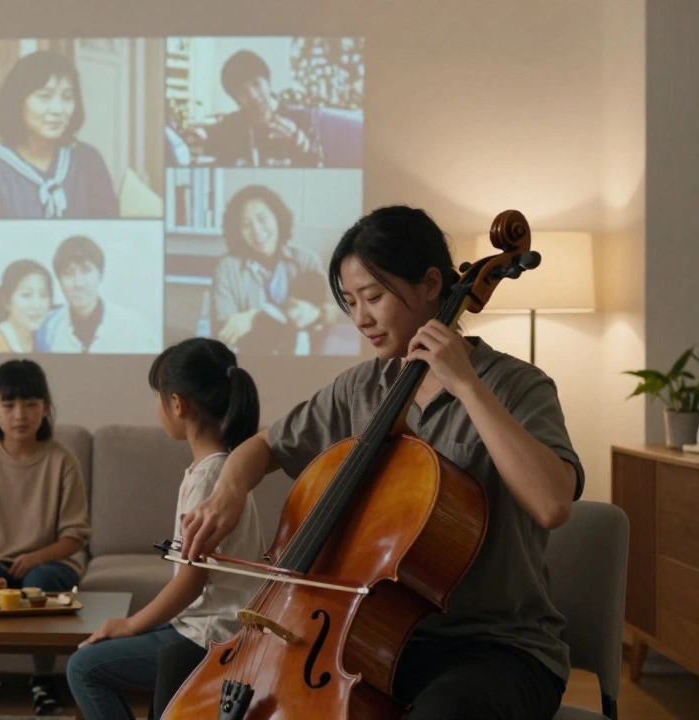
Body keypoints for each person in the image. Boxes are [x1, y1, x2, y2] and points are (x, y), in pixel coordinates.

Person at [179, 205, 584, 720]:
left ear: (433, 283)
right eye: (350, 302)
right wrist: (227, 491)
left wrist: (467, 385)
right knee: (184, 668)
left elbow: (552, 505)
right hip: (376, 637)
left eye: (373, 297)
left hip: (495, 647)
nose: (360, 318)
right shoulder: (363, 387)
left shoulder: (517, 385)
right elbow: (263, 447)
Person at [66, 338, 265, 720]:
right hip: (206, 623)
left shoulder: (210, 477)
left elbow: (190, 582)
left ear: (177, 404)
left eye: (157, 397)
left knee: (84, 667)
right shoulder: (220, 469)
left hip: (210, 632)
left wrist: (129, 624)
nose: (156, 407)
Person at [0, 359, 92, 716]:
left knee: (39, 583)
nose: (19, 415)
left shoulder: (62, 460)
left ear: (46, 409)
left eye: (30, 404)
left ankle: (43, 678)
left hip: (51, 563)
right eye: (8, 405)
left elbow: (76, 537)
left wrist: (38, 557)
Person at [0, 50, 118, 219]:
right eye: (45, 97)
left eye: (67, 98)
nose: (58, 110)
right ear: (17, 101)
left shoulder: (88, 160)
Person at [210, 184, 338, 354]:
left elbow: (336, 309)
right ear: (237, 231)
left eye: (262, 219)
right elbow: (225, 329)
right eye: (246, 225)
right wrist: (257, 318)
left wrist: (318, 313)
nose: (257, 231)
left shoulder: (306, 261)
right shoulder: (227, 268)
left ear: (277, 218)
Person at [201, 50, 323, 168]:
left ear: (268, 82)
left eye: (256, 84)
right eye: (243, 92)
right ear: (236, 100)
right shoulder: (231, 125)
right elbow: (207, 139)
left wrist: (299, 142)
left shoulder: (301, 117)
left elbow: (319, 163)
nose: (253, 96)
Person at [35, 234, 155, 354]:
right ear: (59, 281)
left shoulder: (135, 328)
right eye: (68, 273)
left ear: (101, 275)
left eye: (86, 270)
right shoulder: (49, 329)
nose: (78, 283)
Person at [0, 259, 54, 353]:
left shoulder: (49, 342)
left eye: (44, 295)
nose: (37, 305)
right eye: (26, 295)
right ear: (6, 300)